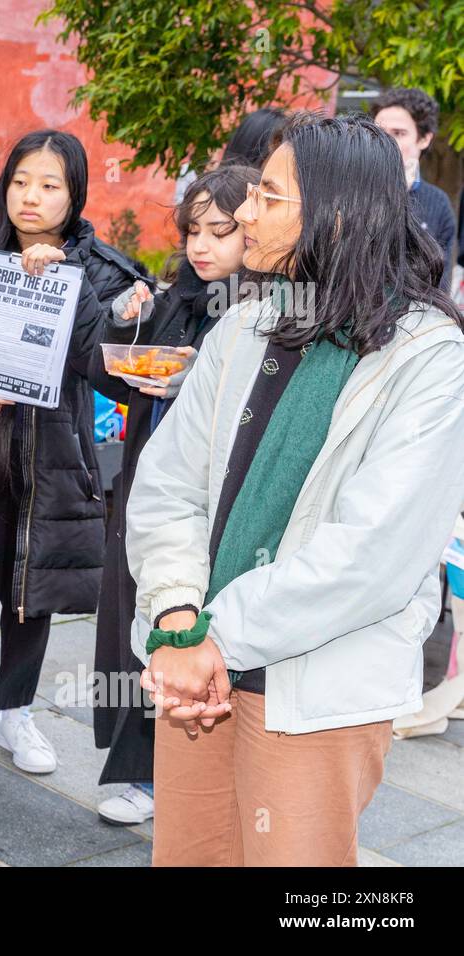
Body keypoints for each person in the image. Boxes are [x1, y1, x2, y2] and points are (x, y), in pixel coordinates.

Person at [127, 112, 464, 866]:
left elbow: (371, 553)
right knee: (192, 855)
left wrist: (213, 636)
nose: (244, 210)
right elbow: (168, 486)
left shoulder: (428, 357)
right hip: (200, 676)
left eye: (268, 197)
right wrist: (179, 615)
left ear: (337, 212)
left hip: (315, 686)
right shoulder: (245, 325)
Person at [0, 130, 152, 799]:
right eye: (21, 181)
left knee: (33, 597)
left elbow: (111, 374)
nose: (31, 197)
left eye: (50, 185)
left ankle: (13, 712)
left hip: (54, 459)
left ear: (75, 194)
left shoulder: (100, 268)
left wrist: (82, 291)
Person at [86, 165, 260, 825]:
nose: (202, 245)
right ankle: (143, 773)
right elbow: (109, 375)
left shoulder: (263, 313)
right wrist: (123, 321)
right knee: (145, 617)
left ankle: (196, 777)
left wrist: (192, 389)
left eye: (221, 231)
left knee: (200, 628)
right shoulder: (174, 298)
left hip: (222, 505)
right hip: (148, 491)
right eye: (194, 229)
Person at [372, 87, 456, 292]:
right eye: (378, 133)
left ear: (425, 138)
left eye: (398, 133)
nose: (387, 142)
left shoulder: (437, 202)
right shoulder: (349, 191)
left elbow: (439, 284)